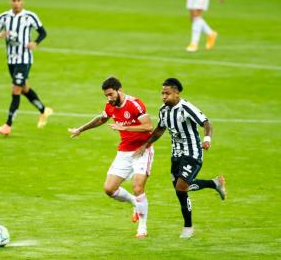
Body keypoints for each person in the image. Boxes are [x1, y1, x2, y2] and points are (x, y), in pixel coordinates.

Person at [134, 78, 226, 238]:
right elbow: (159, 129)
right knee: (181, 189)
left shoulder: (186, 108)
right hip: (176, 155)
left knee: (181, 187)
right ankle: (214, 183)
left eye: (167, 93)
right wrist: (145, 145)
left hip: (192, 153)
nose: (163, 96)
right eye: (162, 93)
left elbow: (206, 122)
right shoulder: (163, 110)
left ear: (176, 93)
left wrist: (207, 139)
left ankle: (188, 227)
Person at [68, 77, 155, 238]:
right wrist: (81, 129)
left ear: (119, 90)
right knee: (109, 189)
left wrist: (125, 126)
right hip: (124, 151)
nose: (109, 98)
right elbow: (101, 118)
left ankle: (142, 227)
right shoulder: (110, 106)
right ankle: (134, 203)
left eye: (111, 94)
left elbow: (148, 126)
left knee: (137, 188)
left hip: (142, 150)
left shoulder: (134, 103)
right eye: (106, 96)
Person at [0, 0, 53, 136]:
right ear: (10, 1)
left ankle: (8, 125)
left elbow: (43, 32)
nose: (16, 3)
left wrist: (35, 42)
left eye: (18, 0)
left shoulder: (30, 16)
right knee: (24, 88)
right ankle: (44, 111)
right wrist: (0, 34)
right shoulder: (4, 17)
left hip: (24, 59)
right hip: (11, 59)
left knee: (15, 89)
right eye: (14, 0)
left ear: (22, 2)